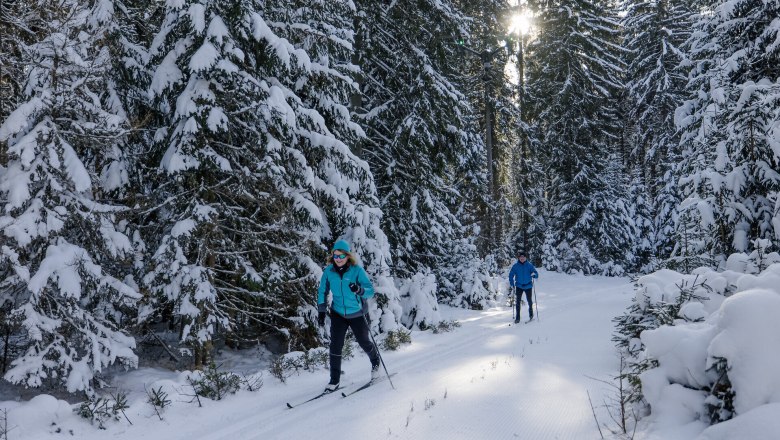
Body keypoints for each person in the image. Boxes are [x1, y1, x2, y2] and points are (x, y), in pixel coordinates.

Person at [317, 239, 380, 392]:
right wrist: (321, 310)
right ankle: (334, 380)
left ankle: (375, 362)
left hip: (358, 313)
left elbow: (370, 291)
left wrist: (359, 290)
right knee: (335, 345)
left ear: (347, 256)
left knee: (364, 342)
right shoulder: (329, 272)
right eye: (335, 256)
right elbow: (322, 291)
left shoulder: (356, 270)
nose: (338, 259)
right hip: (338, 313)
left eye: (341, 256)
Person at [508, 251, 539, 323]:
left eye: (523, 257)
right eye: (520, 257)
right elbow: (511, 275)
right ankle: (517, 318)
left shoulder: (529, 265)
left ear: (525, 258)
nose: (522, 258)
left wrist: (534, 275)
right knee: (518, 302)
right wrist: (512, 282)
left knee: (529, 301)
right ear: (519, 258)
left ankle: (531, 315)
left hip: (528, 286)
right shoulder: (515, 266)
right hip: (519, 286)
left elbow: (536, 274)